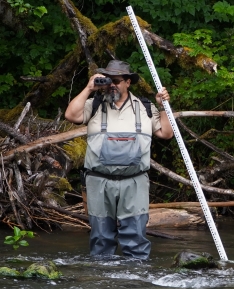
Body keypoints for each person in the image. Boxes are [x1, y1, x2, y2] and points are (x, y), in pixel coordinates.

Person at [65, 60, 174, 260]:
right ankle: (103, 280)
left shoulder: (146, 107)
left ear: (128, 82)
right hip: (99, 181)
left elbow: (166, 133)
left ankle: (134, 282)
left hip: (134, 181)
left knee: (135, 238)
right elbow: (71, 115)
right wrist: (90, 88)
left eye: (116, 81)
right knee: (100, 238)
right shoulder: (95, 104)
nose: (111, 85)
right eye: (108, 81)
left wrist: (163, 106)